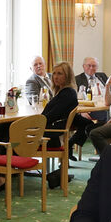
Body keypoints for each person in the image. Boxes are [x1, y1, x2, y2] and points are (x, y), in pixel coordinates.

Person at [39, 61, 82, 189]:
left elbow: (50, 117)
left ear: (67, 76)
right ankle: (5, 174)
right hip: (53, 134)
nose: (56, 77)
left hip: (53, 138)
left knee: (13, 134)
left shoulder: (67, 93)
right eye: (54, 74)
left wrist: (34, 123)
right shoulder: (62, 92)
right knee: (10, 131)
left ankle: (4, 173)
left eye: (60, 74)